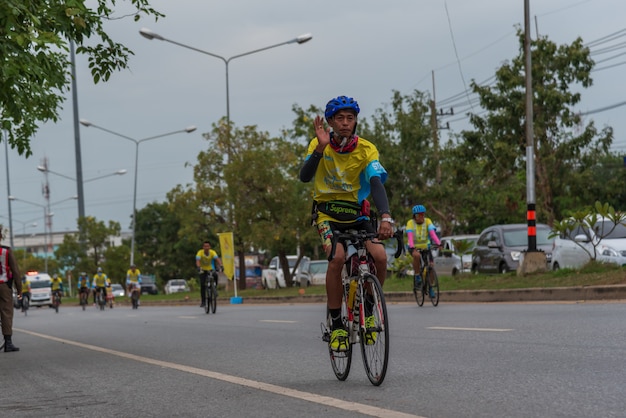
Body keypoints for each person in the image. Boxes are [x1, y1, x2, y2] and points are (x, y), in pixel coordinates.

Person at [299, 95, 394, 352]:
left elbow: (375, 183)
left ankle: (371, 309)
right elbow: (304, 177)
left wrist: (385, 216)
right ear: (330, 121)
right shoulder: (318, 144)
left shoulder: (367, 149)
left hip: (358, 214)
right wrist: (319, 148)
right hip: (328, 215)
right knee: (338, 258)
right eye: (339, 118)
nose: (345, 123)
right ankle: (338, 323)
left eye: (350, 118)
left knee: (381, 257)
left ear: (355, 122)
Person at [406, 204, 441, 299]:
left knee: (431, 266)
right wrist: (413, 247)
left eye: (422, 214)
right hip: (414, 247)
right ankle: (417, 275)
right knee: (416, 256)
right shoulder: (410, 223)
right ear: (414, 216)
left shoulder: (428, 221)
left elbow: (432, 234)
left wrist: (438, 243)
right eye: (418, 215)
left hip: (426, 247)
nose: (421, 217)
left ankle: (431, 287)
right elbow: (410, 236)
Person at [0, 227, 22, 351]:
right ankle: (8, 343)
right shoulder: (6, 251)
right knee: (6, 313)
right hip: (4, 285)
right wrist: (19, 289)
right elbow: (15, 271)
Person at [195, 241, 223, 308]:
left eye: (208, 246)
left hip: (210, 268)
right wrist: (198, 267)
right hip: (202, 269)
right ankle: (203, 301)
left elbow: (217, 259)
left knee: (215, 275)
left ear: (210, 247)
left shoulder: (212, 252)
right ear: (203, 247)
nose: (206, 248)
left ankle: (214, 288)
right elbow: (198, 261)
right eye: (205, 246)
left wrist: (221, 265)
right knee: (202, 284)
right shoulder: (200, 252)